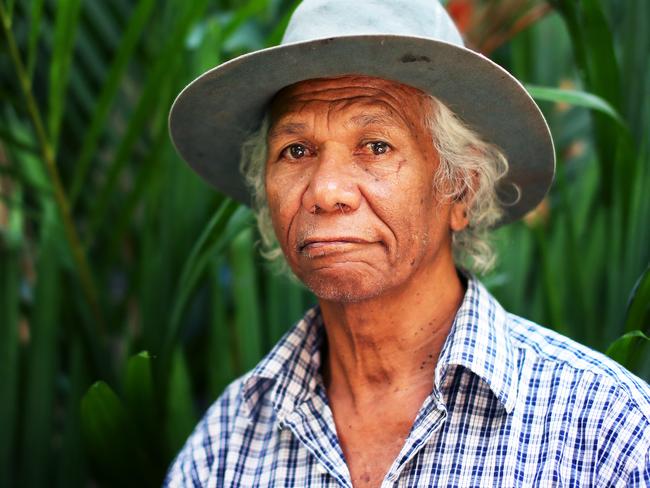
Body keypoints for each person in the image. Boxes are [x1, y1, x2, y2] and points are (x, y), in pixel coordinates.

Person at [164, 0, 650, 486]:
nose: (326, 190)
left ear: (461, 189)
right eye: (296, 150)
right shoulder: (226, 444)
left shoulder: (604, 430)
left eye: (376, 146)